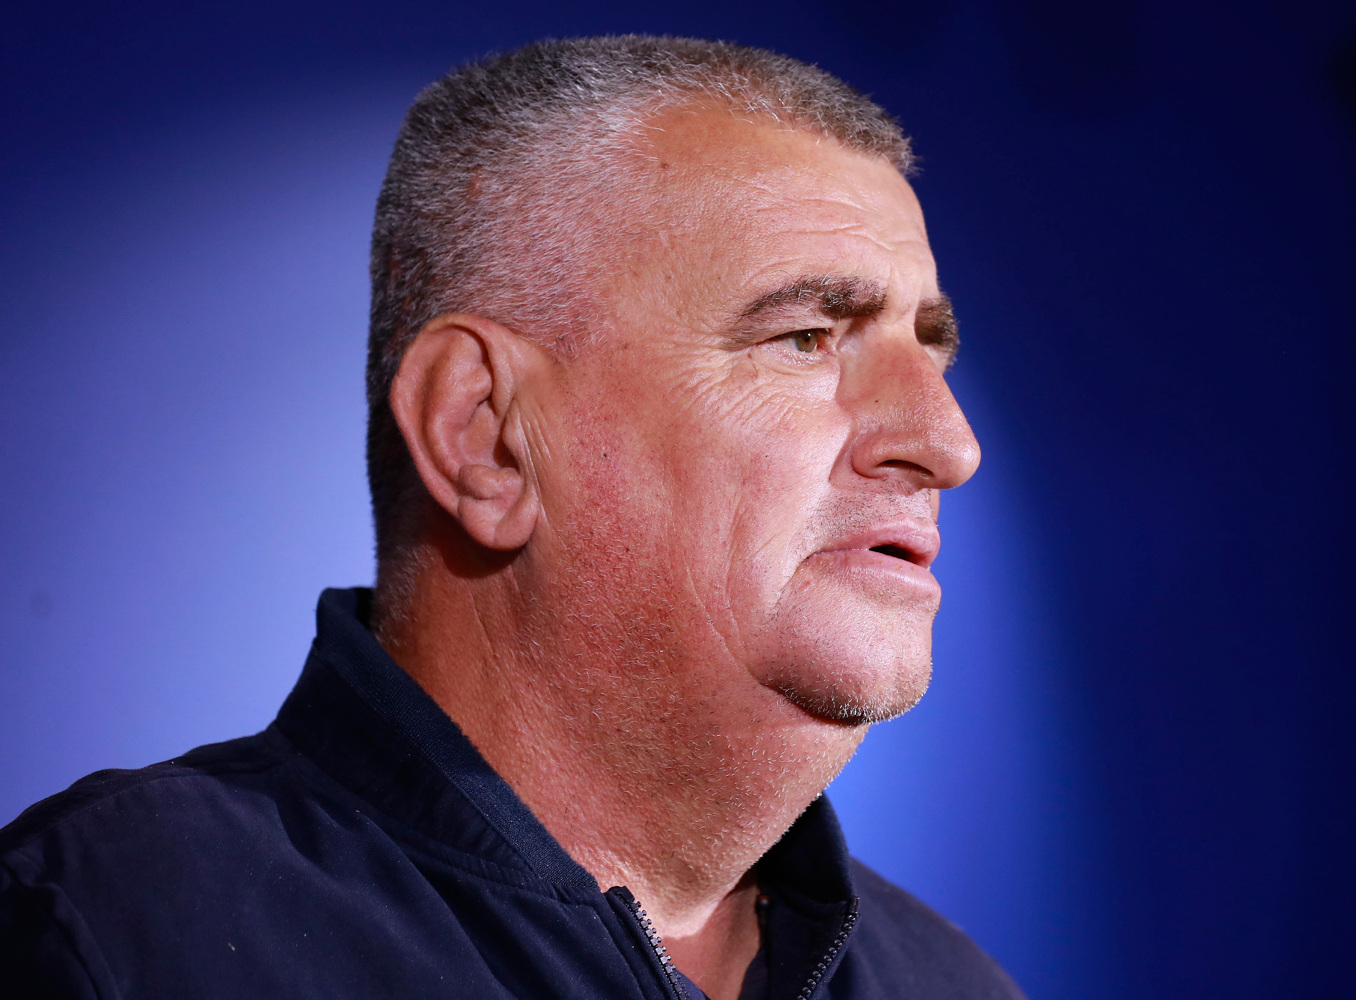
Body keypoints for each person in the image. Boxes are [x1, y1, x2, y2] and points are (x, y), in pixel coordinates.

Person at [0, 36, 1021, 1000]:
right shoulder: (112, 935)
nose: (949, 443)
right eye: (807, 337)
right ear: (484, 434)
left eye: (931, 349)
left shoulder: (950, 985)